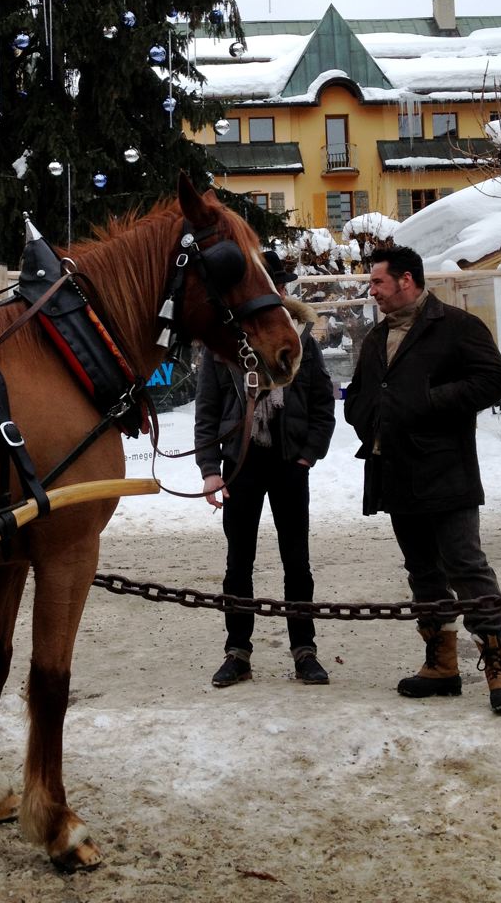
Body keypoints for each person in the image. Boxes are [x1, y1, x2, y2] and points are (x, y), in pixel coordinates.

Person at [344, 245, 501, 714]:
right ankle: (441, 665)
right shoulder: (374, 337)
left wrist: (428, 400)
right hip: (394, 472)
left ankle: (499, 669)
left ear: (407, 280)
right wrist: (366, 415)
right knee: (422, 571)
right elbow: (361, 393)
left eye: (378, 282)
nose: (373, 291)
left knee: (466, 565)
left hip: (447, 471)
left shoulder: (458, 327)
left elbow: (495, 380)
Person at [195, 249, 336, 688]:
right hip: (241, 465)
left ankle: (304, 650)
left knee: (298, 561)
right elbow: (207, 410)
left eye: (275, 284)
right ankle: (237, 651)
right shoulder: (223, 346)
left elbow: (321, 404)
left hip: (289, 463)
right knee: (239, 562)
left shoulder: (300, 341)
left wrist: (309, 453)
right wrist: (210, 468)